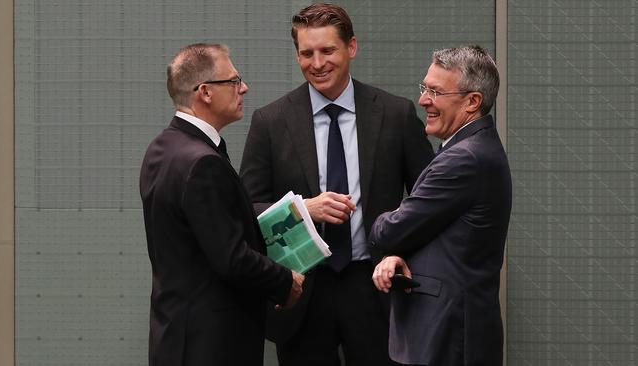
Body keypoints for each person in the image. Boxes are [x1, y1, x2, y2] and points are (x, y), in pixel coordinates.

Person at [240, 3, 434, 366]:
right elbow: (246, 209)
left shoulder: (395, 114)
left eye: (327, 50)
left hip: (375, 285)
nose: (317, 63)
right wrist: (302, 210)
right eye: (306, 53)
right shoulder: (270, 121)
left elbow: (428, 202)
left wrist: (402, 254)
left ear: (352, 47)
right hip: (302, 290)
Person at [139, 43, 304, 366]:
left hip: (175, 336)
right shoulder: (203, 163)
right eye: (233, 80)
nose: (244, 87)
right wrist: (285, 281)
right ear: (205, 92)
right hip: (211, 344)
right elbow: (231, 257)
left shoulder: (161, 148)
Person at [370, 45, 512, 366]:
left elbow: (390, 230)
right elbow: (437, 232)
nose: (423, 100)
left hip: (447, 337)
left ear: (472, 102)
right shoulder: (468, 150)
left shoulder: (464, 159)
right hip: (445, 333)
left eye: (435, 91)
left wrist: (385, 228)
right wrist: (399, 254)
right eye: (425, 88)